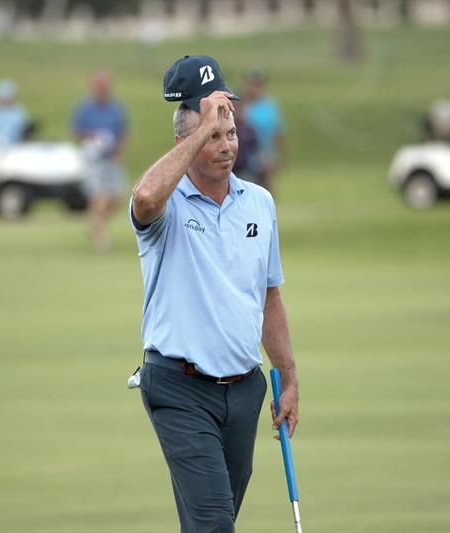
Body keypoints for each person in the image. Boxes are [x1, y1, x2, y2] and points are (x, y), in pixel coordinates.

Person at [130, 55, 299, 533]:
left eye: (230, 133)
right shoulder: (166, 205)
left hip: (244, 391)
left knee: (209, 524)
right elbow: (144, 199)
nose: (226, 146)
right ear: (184, 143)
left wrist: (288, 377)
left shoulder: (260, 203)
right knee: (214, 525)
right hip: (179, 387)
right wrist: (201, 127)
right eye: (212, 136)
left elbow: (269, 297)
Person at [71, 70, 128, 253]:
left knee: (117, 199)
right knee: (99, 199)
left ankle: (94, 223)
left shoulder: (116, 108)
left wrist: (119, 152)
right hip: (93, 160)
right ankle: (101, 240)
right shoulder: (85, 108)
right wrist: (94, 138)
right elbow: (76, 132)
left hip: (112, 159)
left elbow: (123, 132)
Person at [242, 66, 285, 193]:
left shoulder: (270, 107)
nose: (253, 88)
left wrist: (280, 158)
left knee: (266, 191)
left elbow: (277, 134)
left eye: (257, 85)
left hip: (266, 155)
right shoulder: (240, 106)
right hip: (245, 157)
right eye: (251, 84)